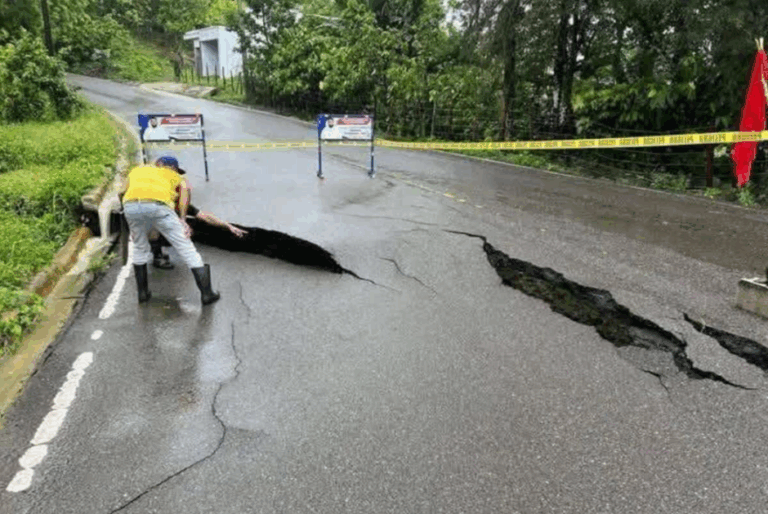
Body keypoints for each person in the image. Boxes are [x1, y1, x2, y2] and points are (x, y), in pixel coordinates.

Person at [121, 156, 221, 305]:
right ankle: (207, 294)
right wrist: (182, 219)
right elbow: (185, 193)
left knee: (139, 248)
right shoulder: (175, 176)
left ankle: (142, 294)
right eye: (175, 168)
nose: (175, 171)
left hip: (131, 206)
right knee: (186, 248)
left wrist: (127, 212)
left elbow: (121, 192)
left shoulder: (137, 170)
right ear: (167, 166)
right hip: (158, 206)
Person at [149, 165, 246, 269]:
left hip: (161, 220)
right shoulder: (156, 194)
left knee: (187, 226)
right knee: (156, 225)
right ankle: (157, 256)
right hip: (147, 221)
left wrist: (228, 226)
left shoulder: (178, 199)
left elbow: (203, 215)